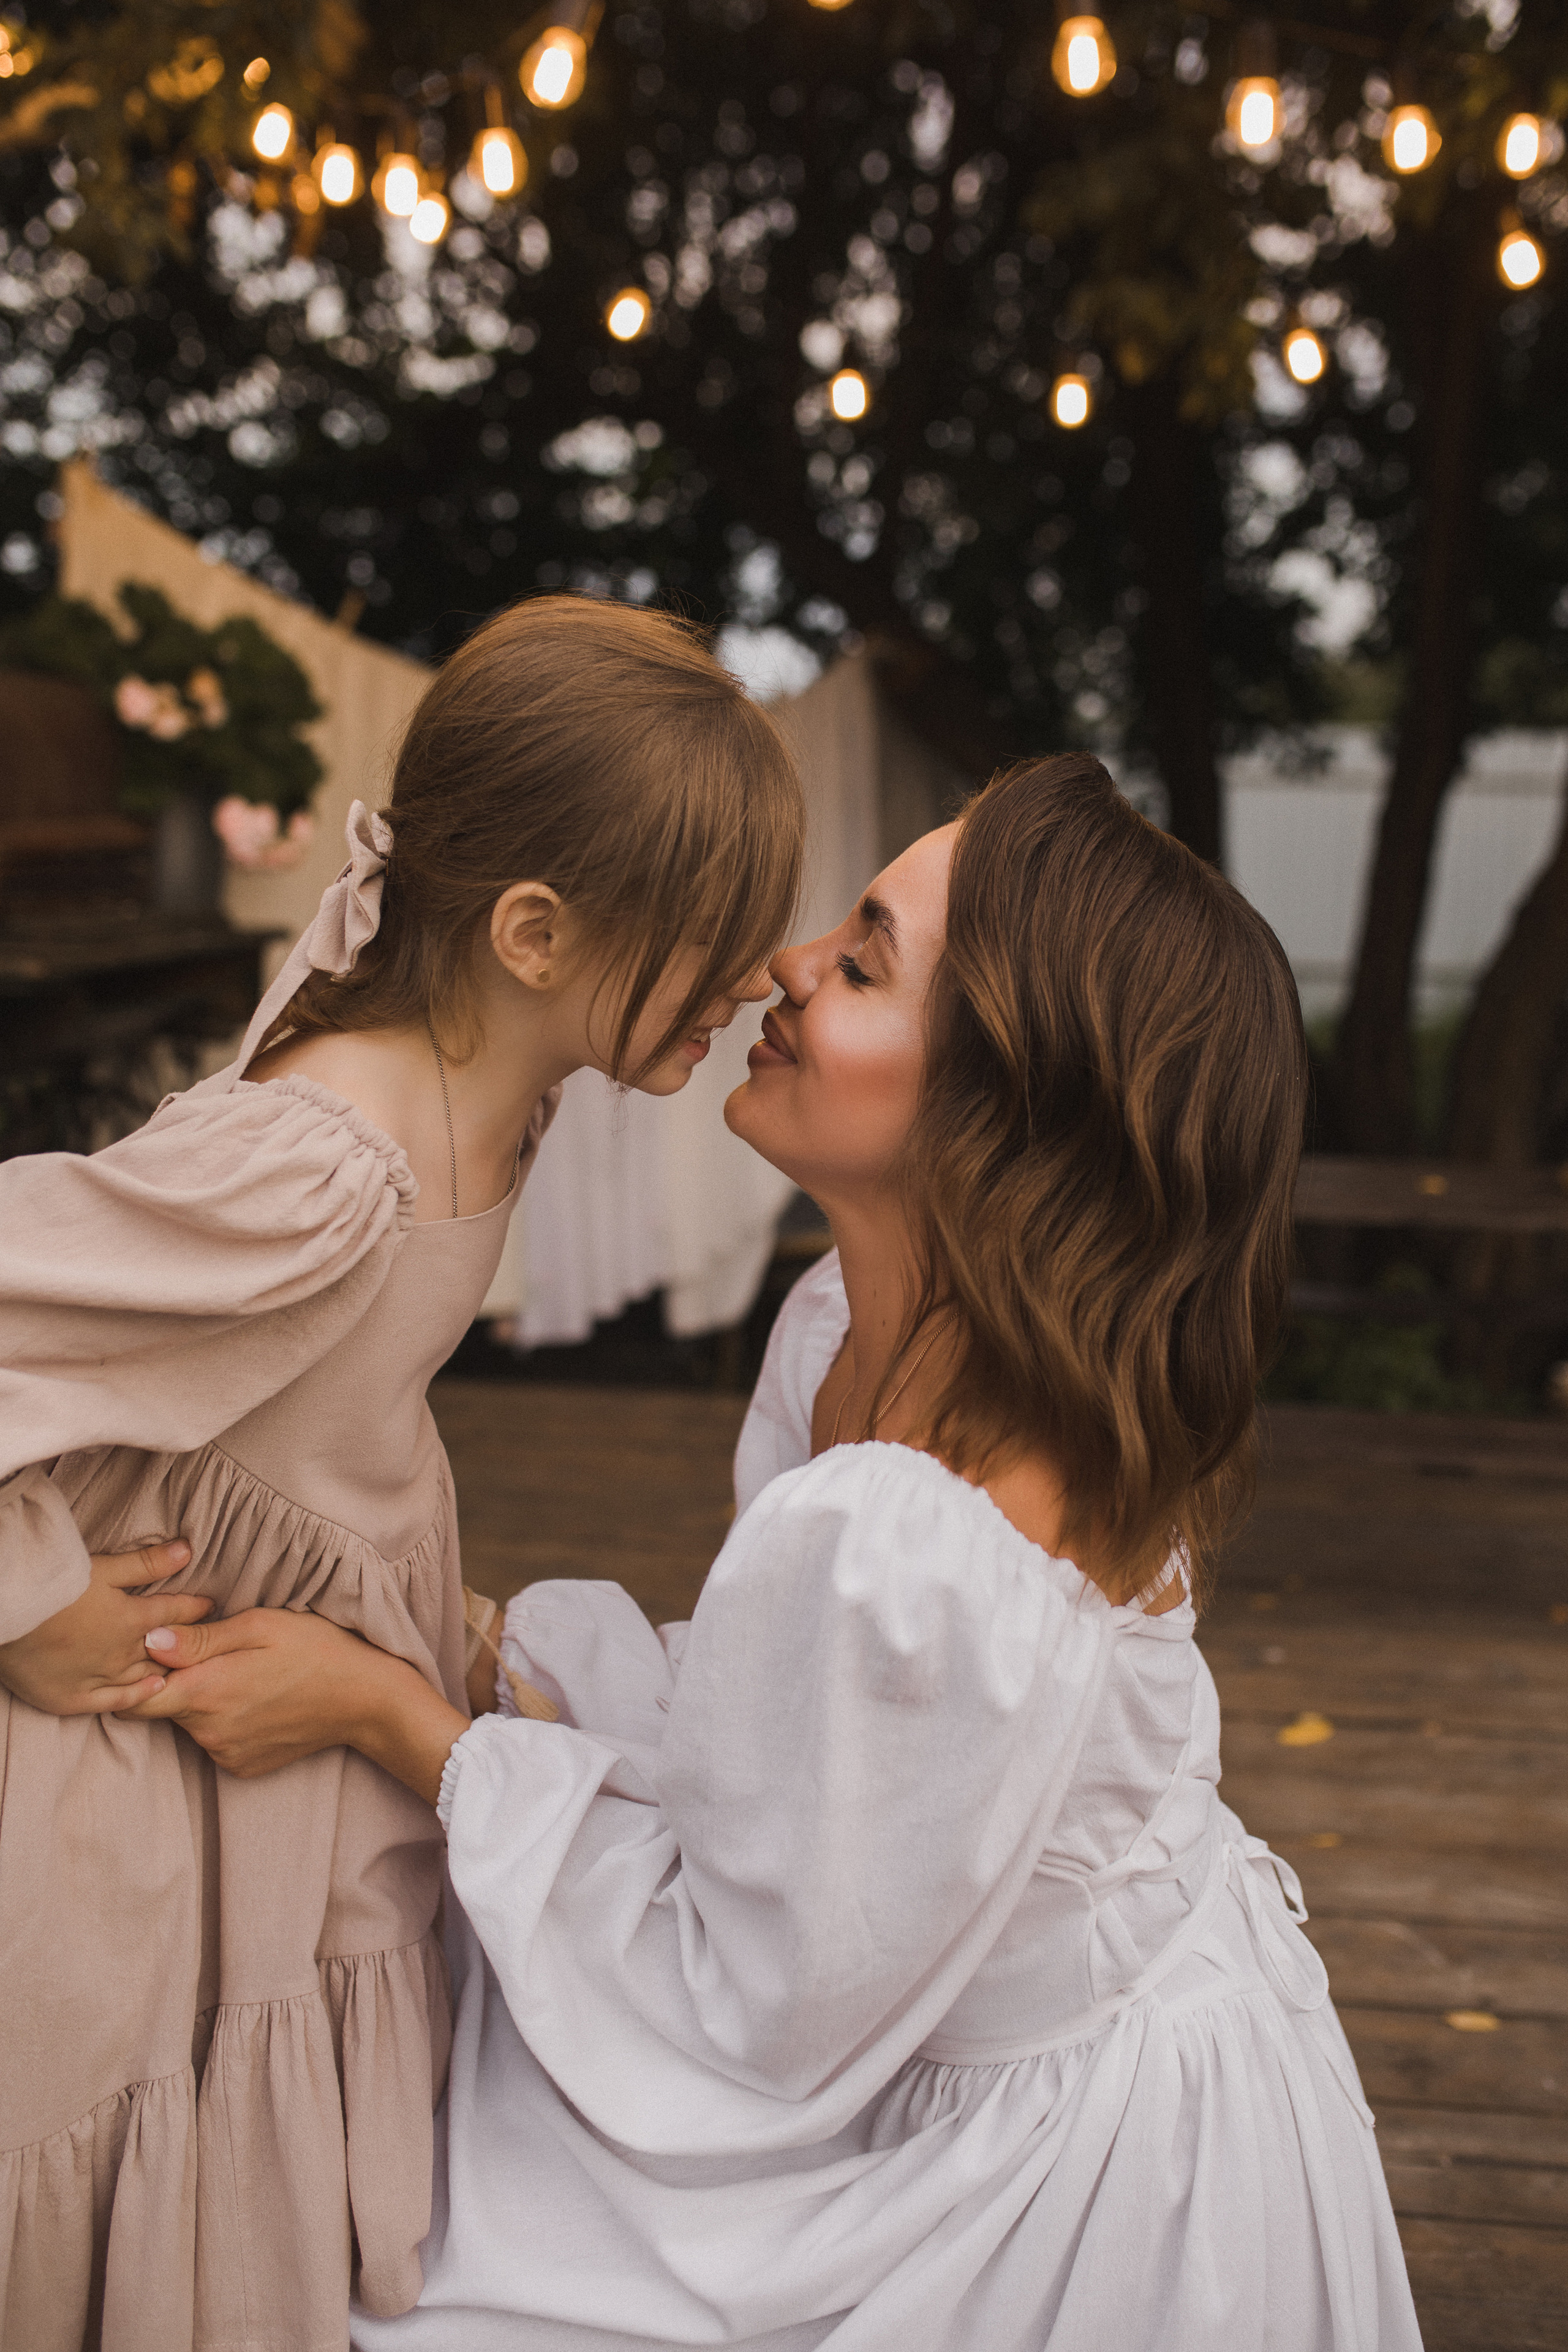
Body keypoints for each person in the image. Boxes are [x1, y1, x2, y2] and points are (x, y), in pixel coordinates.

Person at [138, 753, 1423, 2350]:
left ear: (997, 1108)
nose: (786, 967)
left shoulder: (925, 1539)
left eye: (866, 961)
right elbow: (789, 1765)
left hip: (1038, 2151)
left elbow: (740, 2004)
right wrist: (477, 1641)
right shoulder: (853, 1324)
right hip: (869, 1985)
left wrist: (388, 1717)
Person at [0, 595, 804, 2352]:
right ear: (531, 930)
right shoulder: (322, 1165)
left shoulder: (506, 1076)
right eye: (721, 937)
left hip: (312, 1709)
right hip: (154, 1746)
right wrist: (32, 1597)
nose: (760, 978)